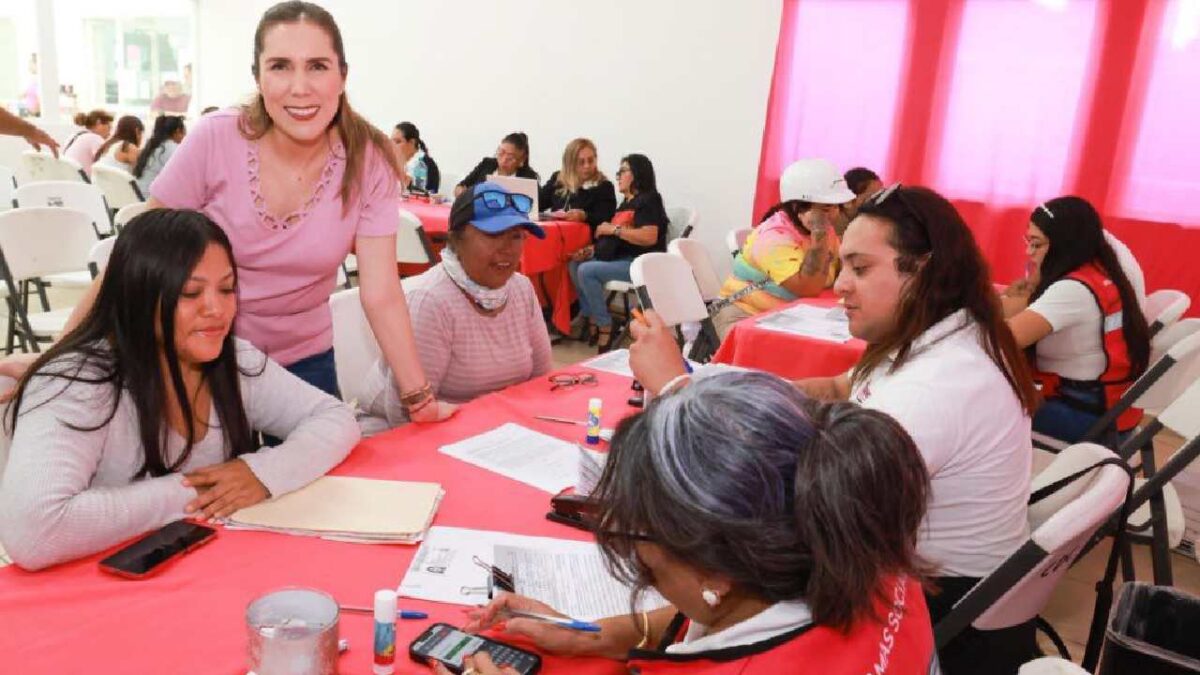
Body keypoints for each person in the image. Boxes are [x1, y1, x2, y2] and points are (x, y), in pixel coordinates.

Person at [630, 184, 1039, 674]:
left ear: (924, 270)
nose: (840, 283)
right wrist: (718, 389)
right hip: (936, 583)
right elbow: (836, 387)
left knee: (698, 548)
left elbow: (800, 503)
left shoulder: (939, 385)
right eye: (843, 265)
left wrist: (676, 391)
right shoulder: (939, 336)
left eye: (861, 268)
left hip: (942, 617)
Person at [0, 1, 454, 424]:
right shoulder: (216, 139)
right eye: (280, 66)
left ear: (342, 75)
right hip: (204, 359)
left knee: (318, 491)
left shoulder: (369, 158)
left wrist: (419, 399)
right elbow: (133, 257)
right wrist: (55, 355)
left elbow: (381, 292)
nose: (300, 87)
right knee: (206, 499)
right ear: (258, 76)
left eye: (317, 66)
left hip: (304, 362)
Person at [441, 371, 937, 675]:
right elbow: (725, 617)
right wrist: (593, 634)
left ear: (715, 575)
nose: (635, 556)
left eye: (641, 535)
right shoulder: (861, 545)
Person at [0, 209, 359, 571]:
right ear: (138, 296)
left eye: (227, 288)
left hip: (208, 573)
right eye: (191, 293)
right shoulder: (79, 382)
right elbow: (34, 530)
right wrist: (202, 491)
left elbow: (335, 419)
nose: (216, 309)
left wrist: (262, 473)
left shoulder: (233, 363)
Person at [362, 182, 553, 426]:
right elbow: (404, 415)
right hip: (411, 433)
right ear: (456, 240)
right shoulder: (432, 302)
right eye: (493, 235)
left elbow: (542, 382)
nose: (508, 249)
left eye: (516, 236)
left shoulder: (522, 289)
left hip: (492, 426)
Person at [1006, 196, 1150, 444]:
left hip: (1087, 418)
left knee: (974, 405)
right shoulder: (1101, 265)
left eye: (1036, 244)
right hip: (1108, 411)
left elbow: (1001, 339)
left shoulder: (1074, 290)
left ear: (1064, 244)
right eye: (1028, 241)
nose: (1029, 252)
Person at [712, 158, 850, 340]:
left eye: (835, 207)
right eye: (826, 208)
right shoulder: (774, 237)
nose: (834, 214)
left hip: (789, 315)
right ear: (797, 207)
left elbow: (841, 270)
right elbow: (808, 288)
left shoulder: (822, 230)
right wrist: (820, 234)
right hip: (745, 315)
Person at [568, 153, 668, 352]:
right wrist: (592, 249)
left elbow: (650, 236)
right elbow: (615, 242)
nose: (618, 176)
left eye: (623, 171)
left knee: (587, 271)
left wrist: (613, 229)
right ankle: (591, 317)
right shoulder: (625, 204)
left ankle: (605, 324)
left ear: (637, 174)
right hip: (621, 258)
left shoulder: (649, 200)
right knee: (575, 264)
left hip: (640, 263)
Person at [538, 137, 617, 229]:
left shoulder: (604, 187)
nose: (587, 166)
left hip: (584, 238)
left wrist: (585, 216)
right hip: (556, 233)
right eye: (581, 162)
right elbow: (538, 203)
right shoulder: (558, 179)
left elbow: (605, 217)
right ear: (570, 164)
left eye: (590, 161)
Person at [455, 132, 539, 196]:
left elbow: (537, 206)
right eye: (501, 153)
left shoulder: (528, 178)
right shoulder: (487, 164)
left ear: (521, 160)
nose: (503, 160)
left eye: (510, 158)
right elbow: (460, 187)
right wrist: (462, 192)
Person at [133, 116, 187, 195]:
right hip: (155, 200)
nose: (185, 136)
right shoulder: (174, 149)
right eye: (184, 132)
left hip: (140, 196)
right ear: (178, 131)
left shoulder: (152, 147)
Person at [391, 121, 441, 193]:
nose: (393, 146)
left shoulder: (425, 165)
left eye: (398, 142)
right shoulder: (395, 162)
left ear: (411, 142)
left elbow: (424, 194)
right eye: (392, 142)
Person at [63, 109, 114, 176]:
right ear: (98, 123)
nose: (110, 130)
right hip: (84, 182)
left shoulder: (74, 136)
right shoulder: (95, 138)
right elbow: (106, 165)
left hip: (70, 178)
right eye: (109, 126)